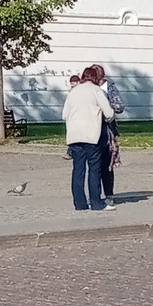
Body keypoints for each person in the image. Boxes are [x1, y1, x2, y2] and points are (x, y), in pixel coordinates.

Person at [63, 66, 115, 212]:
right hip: (91, 135)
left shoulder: (73, 92)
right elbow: (109, 113)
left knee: (78, 169)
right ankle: (96, 202)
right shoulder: (96, 91)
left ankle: (79, 203)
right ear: (95, 78)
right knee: (94, 169)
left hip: (74, 135)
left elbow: (64, 114)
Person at [92, 65, 125, 205]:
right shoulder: (89, 88)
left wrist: (106, 105)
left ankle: (109, 194)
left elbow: (119, 106)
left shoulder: (109, 87)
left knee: (107, 163)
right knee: (95, 164)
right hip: (91, 127)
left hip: (107, 128)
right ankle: (95, 195)